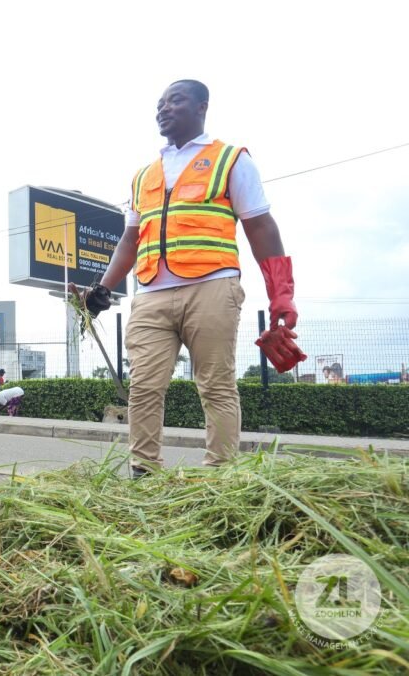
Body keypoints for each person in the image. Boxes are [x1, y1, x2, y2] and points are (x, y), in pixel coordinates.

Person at [70, 79, 304, 477]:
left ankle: (220, 478)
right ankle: (144, 476)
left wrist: (281, 296)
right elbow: (131, 237)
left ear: (202, 107)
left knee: (215, 386)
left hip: (212, 287)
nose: (163, 108)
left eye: (175, 100)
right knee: (143, 388)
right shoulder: (144, 175)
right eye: (159, 103)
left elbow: (262, 227)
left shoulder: (231, 160)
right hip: (152, 296)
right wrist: (103, 288)